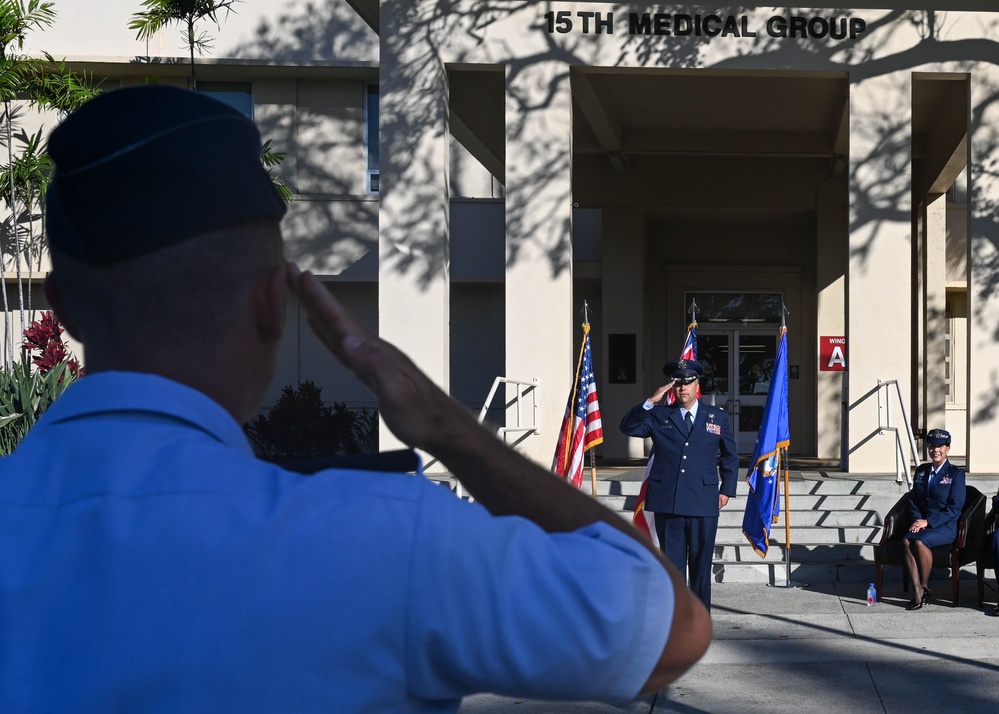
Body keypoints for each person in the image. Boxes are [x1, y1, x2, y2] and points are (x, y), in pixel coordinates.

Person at [0, 86, 711, 711]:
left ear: (61, 307)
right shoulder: (386, 537)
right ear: (274, 306)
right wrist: (449, 431)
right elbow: (668, 629)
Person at [620, 359, 738, 610]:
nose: (682, 389)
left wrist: (727, 488)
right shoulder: (659, 415)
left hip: (703, 500)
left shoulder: (716, 417)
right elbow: (628, 427)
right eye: (677, 384)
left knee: (700, 565)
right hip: (668, 500)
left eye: (688, 383)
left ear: (697, 386)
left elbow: (730, 455)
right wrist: (651, 401)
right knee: (672, 566)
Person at [902, 428, 966, 611]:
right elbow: (914, 499)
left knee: (920, 543)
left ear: (948, 448)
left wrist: (928, 523)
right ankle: (918, 590)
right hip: (923, 524)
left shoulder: (955, 474)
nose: (935, 450)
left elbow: (955, 507)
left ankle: (923, 586)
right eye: (931, 446)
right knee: (906, 541)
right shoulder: (921, 471)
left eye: (940, 446)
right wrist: (917, 520)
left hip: (945, 527)